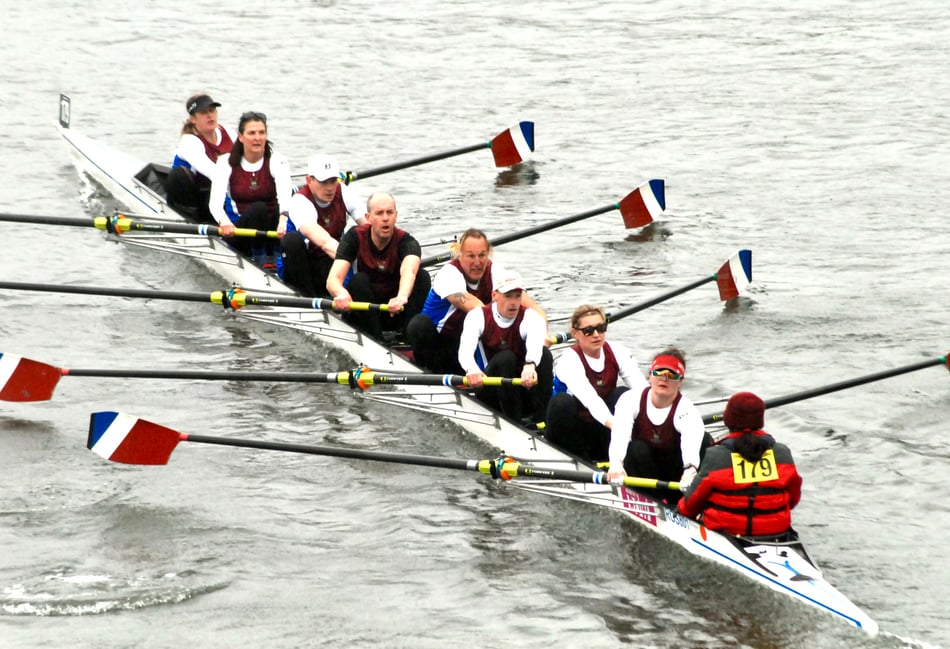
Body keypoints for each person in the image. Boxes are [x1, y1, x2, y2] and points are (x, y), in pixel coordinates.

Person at [406, 228, 546, 374]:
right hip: (439, 345)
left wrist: (542, 333)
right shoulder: (448, 274)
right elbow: (476, 309)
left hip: (470, 343)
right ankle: (431, 373)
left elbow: (533, 309)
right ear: (459, 256)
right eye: (471, 256)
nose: (477, 262)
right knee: (418, 324)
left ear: (488, 255)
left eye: (482, 255)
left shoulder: (496, 272)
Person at [678, 391, 802, 537]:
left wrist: (678, 509)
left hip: (727, 533)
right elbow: (793, 498)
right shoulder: (782, 453)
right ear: (760, 421)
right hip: (777, 531)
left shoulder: (716, 456)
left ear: (728, 419)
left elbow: (690, 505)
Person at [606, 347, 713, 501]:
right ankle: (651, 499)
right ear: (650, 376)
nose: (664, 379)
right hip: (642, 472)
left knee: (704, 440)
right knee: (636, 448)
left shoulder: (687, 410)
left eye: (671, 375)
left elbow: (690, 441)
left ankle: (684, 500)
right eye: (658, 372)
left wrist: (690, 469)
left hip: (675, 472)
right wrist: (616, 462)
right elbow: (620, 434)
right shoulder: (630, 399)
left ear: (680, 381)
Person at [544, 304, 648, 463]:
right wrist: (621, 428)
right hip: (569, 431)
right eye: (588, 331)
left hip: (599, 428)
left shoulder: (617, 351)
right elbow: (591, 401)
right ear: (575, 333)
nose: (596, 335)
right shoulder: (569, 360)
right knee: (562, 402)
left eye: (601, 328)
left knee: (624, 394)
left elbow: (643, 390)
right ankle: (580, 462)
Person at [327, 192, 431, 340]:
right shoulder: (354, 237)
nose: (385, 218)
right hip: (365, 310)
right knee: (359, 280)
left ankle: (409, 339)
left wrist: (401, 297)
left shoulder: (407, 242)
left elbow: (409, 271)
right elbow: (333, 279)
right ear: (368, 218)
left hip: (394, 309)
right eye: (379, 213)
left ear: (396, 215)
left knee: (422, 276)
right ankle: (374, 338)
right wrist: (341, 293)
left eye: (389, 212)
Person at [457, 271, 553, 426]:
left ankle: (542, 419)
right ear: (494, 295)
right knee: (506, 358)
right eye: (508, 296)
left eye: (517, 296)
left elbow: (535, 345)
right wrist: (471, 369)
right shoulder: (478, 316)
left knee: (545, 355)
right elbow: (465, 351)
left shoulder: (531, 317)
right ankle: (514, 423)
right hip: (489, 386)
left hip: (521, 385)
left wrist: (530, 365)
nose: (514, 302)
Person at [208, 111, 292, 262]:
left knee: (283, 211)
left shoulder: (277, 160)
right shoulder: (225, 162)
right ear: (240, 137)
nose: (257, 138)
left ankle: (277, 257)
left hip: (274, 229)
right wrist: (224, 222)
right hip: (239, 231)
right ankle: (260, 261)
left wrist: (283, 220)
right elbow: (215, 203)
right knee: (258, 208)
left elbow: (285, 195)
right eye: (252, 133)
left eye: (262, 133)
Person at [280, 153, 364, 296]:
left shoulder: (344, 192)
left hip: (329, 262)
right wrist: (357, 259)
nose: (330, 188)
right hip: (300, 266)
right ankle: (307, 297)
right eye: (324, 182)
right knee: (291, 240)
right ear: (309, 180)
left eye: (333, 181)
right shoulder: (299, 201)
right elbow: (325, 242)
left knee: (361, 233)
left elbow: (371, 226)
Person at [165, 94, 235, 223]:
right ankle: (191, 219)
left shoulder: (229, 134)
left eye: (212, 110)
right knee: (179, 175)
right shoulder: (189, 142)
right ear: (193, 119)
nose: (210, 115)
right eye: (203, 112)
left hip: (216, 194)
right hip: (192, 199)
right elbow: (212, 172)